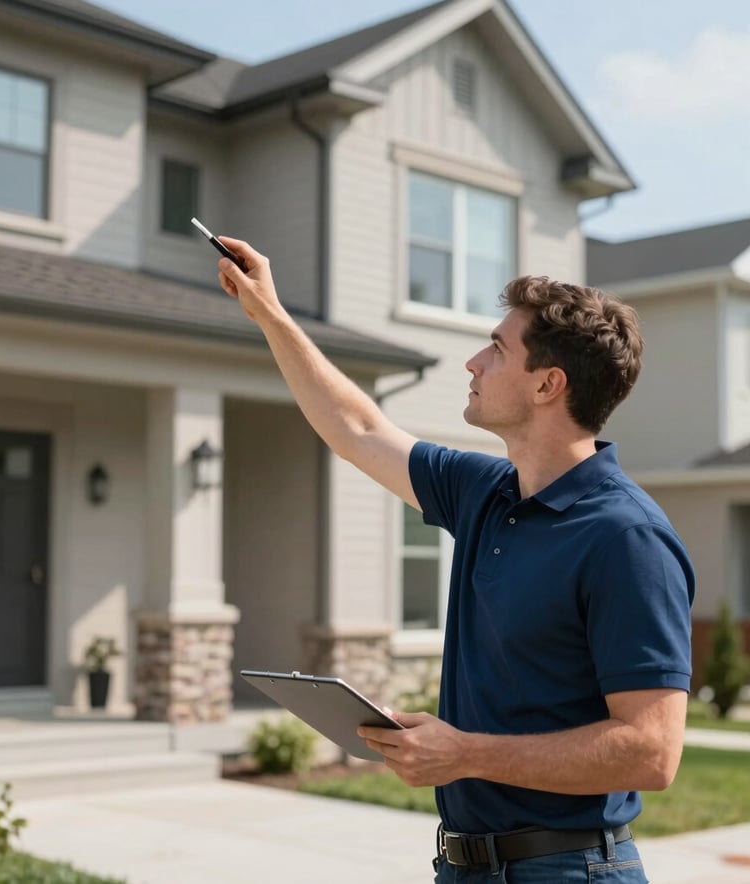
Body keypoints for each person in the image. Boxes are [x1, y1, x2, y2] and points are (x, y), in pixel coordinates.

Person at [215, 238, 695, 884]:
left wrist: (464, 753)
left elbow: (651, 752)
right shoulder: (485, 492)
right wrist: (269, 313)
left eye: (497, 349)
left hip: (569, 871)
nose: (472, 362)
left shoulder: (626, 538)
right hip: (465, 866)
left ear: (549, 384)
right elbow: (357, 429)